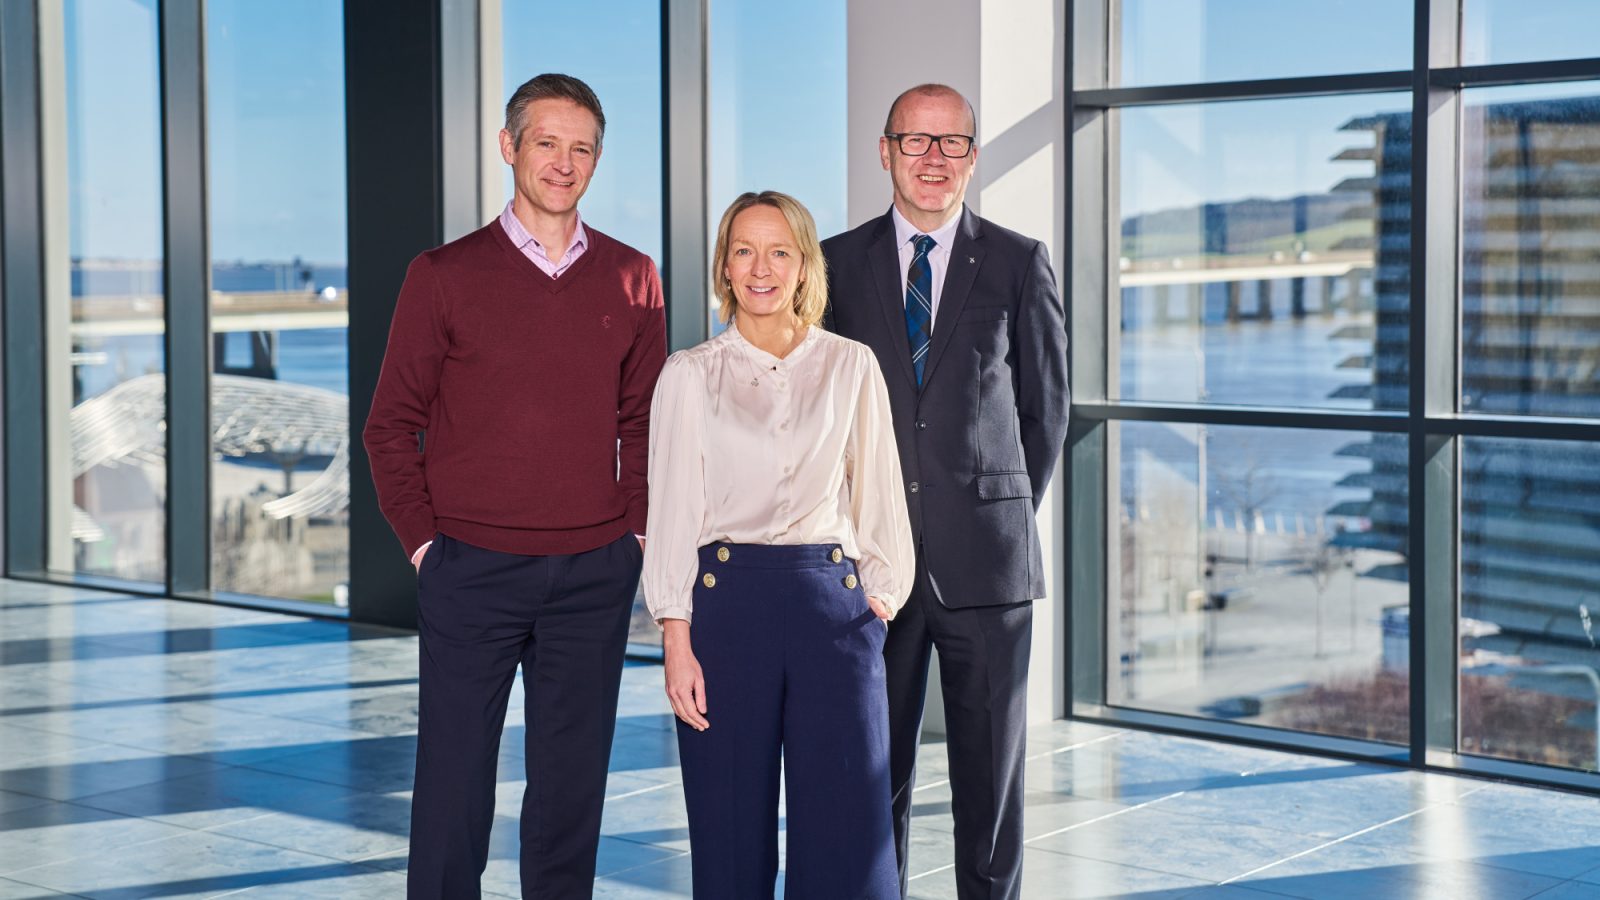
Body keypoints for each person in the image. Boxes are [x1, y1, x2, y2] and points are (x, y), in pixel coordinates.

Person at [363, 73, 666, 899]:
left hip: (593, 572)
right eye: (546, 142)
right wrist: (429, 547)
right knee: (454, 793)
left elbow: (644, 426)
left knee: (571, 794)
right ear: (509, 147)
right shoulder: (442, 275)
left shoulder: (636, 277)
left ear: (597, 160)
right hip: (472, 572)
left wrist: (634, 537)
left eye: (582, 148)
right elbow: (390, 425)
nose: (563, 163)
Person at [821, 83, 1070, 899]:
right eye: (916, 141)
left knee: (990, 785)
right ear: (885, 150)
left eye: (951, 143)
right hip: (867, 568)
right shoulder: (832, 265)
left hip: (989, 569)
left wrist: (989, 511)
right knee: (869, 779)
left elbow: (1045, 413)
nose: (933, 159)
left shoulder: (1019, 260)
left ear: (973, 154)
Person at [643, 190, 914, 899]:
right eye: (743, 250)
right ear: (724, 267)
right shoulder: (689, 375)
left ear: (804, 267)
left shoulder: (851, 366)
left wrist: (880, 594)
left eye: (779, 251)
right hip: (727, 612)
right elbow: (672, 512)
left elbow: (879, 492)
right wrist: (676, 637)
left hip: (835, 610)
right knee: (728, 830)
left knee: (851, 835)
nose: (760, 268)